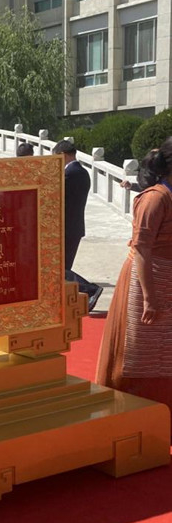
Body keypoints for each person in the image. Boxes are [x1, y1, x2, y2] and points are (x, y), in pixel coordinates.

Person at [97, 139, 172, 419]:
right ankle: (129, 416)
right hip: (147, 281)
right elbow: (141, 248)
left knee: (166, 354)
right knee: (140, 353)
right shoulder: (155, 198)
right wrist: (150, 297)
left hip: (168, 280)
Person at [54, 139, 103, 312]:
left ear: (63, 155)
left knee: (56, 269)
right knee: (62, 269)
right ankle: (65, 301)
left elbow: (54, 195)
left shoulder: (70, 174)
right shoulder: (82, 172)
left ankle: (90, 290)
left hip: (66, 229)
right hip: (73, 228)